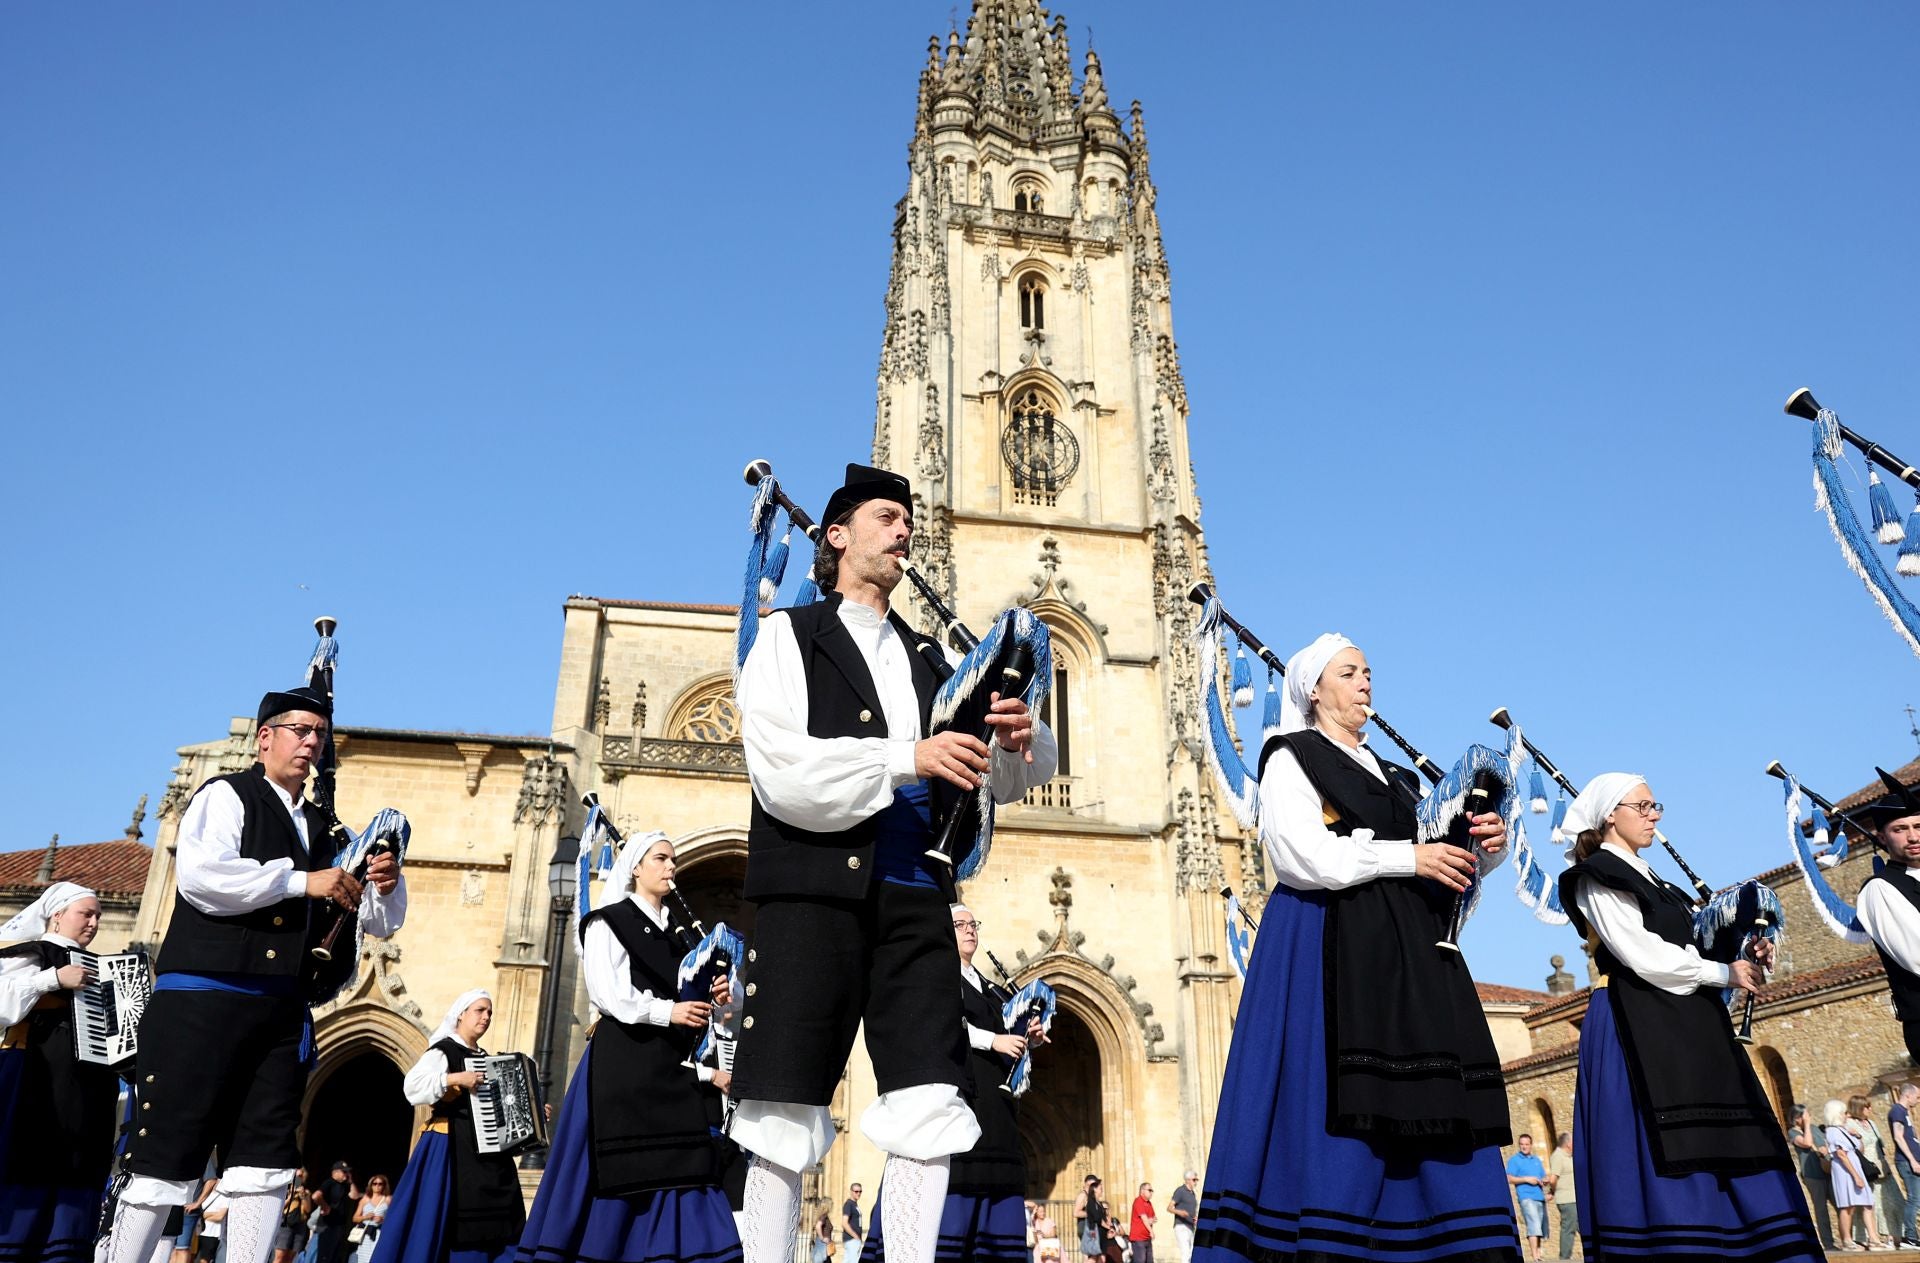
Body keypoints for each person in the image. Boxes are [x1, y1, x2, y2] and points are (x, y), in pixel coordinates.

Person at [729, 464, 1057, 1263]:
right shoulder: (789, 636)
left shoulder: (931, 658)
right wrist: (907, 756)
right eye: (886, 516)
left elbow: (1000, 775)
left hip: (917, 901)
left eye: (908, 520)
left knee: (928, 1099)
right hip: (814, 895)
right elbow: (782, 773)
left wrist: (1022, 737)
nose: (902, 530)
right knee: (783, 1104)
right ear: (836, 535)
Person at [1189, 633, 1520, 1263]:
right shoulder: (1291, 755)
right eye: (1350, 672)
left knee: (1427, 1095)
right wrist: (1410, 856)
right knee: (1333, 1096)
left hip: (1410, 957)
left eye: (1369, 671)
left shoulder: (1397, 779)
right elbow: (1298, 856)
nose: (1366, 682)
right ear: (1315, 689)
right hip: (1329, 945)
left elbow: (1437, 866)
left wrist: (1484, 850)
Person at [102, 683, 407, 1263]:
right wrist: (302, 880)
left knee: (266, 1161)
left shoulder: (327, 829)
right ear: (265, 738)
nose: (311, 742)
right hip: (202, 1002)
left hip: (280, 1012)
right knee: (164, 1151)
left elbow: (376, 922)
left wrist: (384, 886)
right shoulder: (226, 796)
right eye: (299, 729)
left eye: (319, 733)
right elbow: (203, 878)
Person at [1558, 773, 1821, 1260]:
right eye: (1642, 806)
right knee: (1665, 1139)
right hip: (1636, 1024)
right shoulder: (1595, 875)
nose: (1653, 814)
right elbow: (1642, 955)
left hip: (1690, 1024)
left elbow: (1690, 947)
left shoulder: (1662, 883)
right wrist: (1724, 972)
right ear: (1609, 815)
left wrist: (1742, 949)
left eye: (1656, 805)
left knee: (1728, 1133)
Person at [513, 830, 740, 1263]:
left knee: (685, 1166)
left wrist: (716, 993)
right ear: (635, 867)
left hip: (670, 1068)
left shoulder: (680, 937)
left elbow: (694, 997)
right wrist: (668, 1013)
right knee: (622, 1169)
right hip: (624, 1063)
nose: (671, 867)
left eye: (672, 860)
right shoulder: (607, 921)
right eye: (661, 859)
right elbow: (608, 993)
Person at [859, 904, 1047, 1263]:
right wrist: (993, 1040)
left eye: (973, 923)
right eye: (960, 924)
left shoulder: (990, 986)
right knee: (954, 1185)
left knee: (997, 1186)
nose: (970, 929)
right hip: (962, 1094)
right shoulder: (935, 976)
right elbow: (943, 1020)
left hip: (996, 1108)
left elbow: (1009, 1035)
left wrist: (1028, 1036)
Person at [0, 882, 121, 1263]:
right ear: (56, 915)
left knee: (79, 1164)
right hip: (36, 1077)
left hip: (88, 1090)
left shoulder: (104, 967)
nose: (94, 922)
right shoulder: (30, 953)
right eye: (86, 914)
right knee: (30, 1157)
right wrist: (51, 979)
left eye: (98, 916)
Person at [370, 991, 524, 1263]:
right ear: (461, 1014)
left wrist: (528, 1115)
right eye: (480, 1010)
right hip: (450, 1146)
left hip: (486, 1155)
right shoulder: (444, 1050)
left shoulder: (489, 1059)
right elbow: (413, 1087)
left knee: (501, 1217)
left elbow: (501, 1109)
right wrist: (455, 1078)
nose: (486, 1017)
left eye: (489, 1012)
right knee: (444, 1216)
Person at [1851, 771, 1920, 1066]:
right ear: (1882, 836)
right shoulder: (1880, 890)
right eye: (1900, 829)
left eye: (1918, 826)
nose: (1913, 836)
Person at [1827, 1098, 1888, 1250]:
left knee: (1868, 1203)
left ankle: (1873, 1239)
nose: (1847, 1115)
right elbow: (1841, 1154)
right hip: (1845, 1171)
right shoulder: (1832, 1131)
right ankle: (1847, 1241)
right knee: (1848, 1206)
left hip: (1855, 1167)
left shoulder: (1844, 1130)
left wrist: (1856, 1136)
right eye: (1844, 1113)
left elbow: (1858, 1150)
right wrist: (1856, 1176)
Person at [1853, 1094, 1904, 1250]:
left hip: (1882, 1166)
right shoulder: (1851, 1124)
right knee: (1875, 1205)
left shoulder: (1872, 1123)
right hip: (1868, 1169)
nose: (1870, 1109)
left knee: (1895, 1201)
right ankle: (1876, 1237)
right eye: (1867, 1107)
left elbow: (1881, 1145)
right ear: (1859, 1108)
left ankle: (1897, 1235)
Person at [1504, 1136, 1547, 1262]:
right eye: (1522, 1144)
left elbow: (1543, 1177)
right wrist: (1526, 1179)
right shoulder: (1515, 1160)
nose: (1524, 1146)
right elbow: (1508, 1178)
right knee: (1533, 1224)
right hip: (1526, 1197)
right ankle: (1535, 1256)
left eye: (1527, 1144)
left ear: (1531, 1145)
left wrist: (1545, 1180)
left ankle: (1538, 1254)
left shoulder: (1536, 1160)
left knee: (1539, 1226)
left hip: (1539, 1197)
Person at [313, 1163, 361, 1263]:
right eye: (344, 1171)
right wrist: (325, 1206)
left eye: (347, 1171)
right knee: (323, 1256)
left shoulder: (345, 1185)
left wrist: (350, 1180)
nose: (346, 1174)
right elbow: (315, 1196)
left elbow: (355, 1196)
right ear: (335, 1172)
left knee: (333, 1256)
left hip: (338, 1225)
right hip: (326, 1225)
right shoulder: (329, 1183)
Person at [1891, 1084, 1920, 1247]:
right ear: (1908, 1095)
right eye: (1917, 1096)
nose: (1918, 1100)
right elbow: (1898, 1137)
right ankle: (1909, 1237)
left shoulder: (1904, 1112)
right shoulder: (1897, 1111)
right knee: (1914, 1199)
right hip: (1907, 1163)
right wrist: (1913, 1160)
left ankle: (1912, 1235)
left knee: (1918, 1200)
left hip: (1913, 1161)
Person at [1545, 1132, 1576, 1260]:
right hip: (1566, 1199)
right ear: (1568, 1143)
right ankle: (1564, 1258)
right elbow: (1553, 1179)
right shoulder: (1558, 1156)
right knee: (1568, 1229)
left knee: (1579, 1226)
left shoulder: (1568, 1156)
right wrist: (1552, 1191)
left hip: (1573, 1198)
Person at [272, 1172, 315, 1263]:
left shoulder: (306, 1192)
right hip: (286, 1224)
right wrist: (291, 1196)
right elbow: (279, 1208)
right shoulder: (286, 1191)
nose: (299, 1178)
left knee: (291, 1257)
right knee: (280, 1256)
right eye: (297, 1176)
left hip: (300, 1225)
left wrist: (303, 1196)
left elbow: (308, 1210)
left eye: (301, 1176)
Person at [349, 1175, 391, 1263]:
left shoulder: (388, 1199)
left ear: (384, 1185)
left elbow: (393, 1217)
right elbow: (354, 1218)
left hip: (379, 1233)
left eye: (380, 1184)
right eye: (374, 1184)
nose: (377, 1186)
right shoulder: (365, 1199)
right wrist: (365, 1217)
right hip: (365, 1234)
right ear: (371, 1185)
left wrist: (382, 1220)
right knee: (362, 1258)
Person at [1165, 1172, 1197, 1263]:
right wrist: (1180, 1212)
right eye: (1194, 1180)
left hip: (1191, 1226)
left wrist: (1195, 1218)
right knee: (1186, 1253)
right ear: (1187, 1180)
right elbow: (1169, 1208)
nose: (1196, 1182)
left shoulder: (1193, 1194)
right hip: (1181, 1226)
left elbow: (1192, 1212)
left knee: (1192, 1253)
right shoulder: (1180, 1191)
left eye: (1196, 1180)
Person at [1075, 1177, 1104, 1263]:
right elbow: (1076, 1213)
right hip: (1085, 1228)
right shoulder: (1083, 1195)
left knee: (1092, 1254)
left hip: (1091, 1228)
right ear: (1086, 1184)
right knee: (1091, 1254)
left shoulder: (1090, 1197)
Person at [1127, 1185, 1154, 1263]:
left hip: (1147, 1237)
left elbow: (1152, 1218)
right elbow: (1144, 1218)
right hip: (1138, 1238)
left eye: (1152, 1191)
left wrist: (1149, 1222)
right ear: (1142, 1191)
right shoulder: (1138, 1201)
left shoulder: (1149, 1203)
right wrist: (1151, 1231)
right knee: (1140, 1260)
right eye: (1149, 1190)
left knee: (1149, 1260)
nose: (1151, 1192)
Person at [840, 1185, 865, 1263]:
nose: (858, 1193)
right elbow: (844, 1223)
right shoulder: (849, 1204)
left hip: (854, 1239)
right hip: (852, 1239)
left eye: (860, 1191)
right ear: (851, 1192)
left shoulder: (854, 1204)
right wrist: (856, 1236)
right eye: (856, 1191)